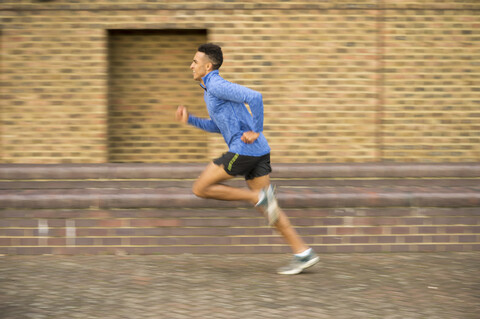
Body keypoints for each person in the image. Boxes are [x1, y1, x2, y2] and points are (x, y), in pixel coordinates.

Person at [175, 43, 319, 275]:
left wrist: (256, 129)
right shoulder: (210, 90)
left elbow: (255, 97)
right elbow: (217, 126)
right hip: (258, 152)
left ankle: (257, 196)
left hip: (245, 149)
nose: (191, 65)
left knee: (201, 188)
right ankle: (303, 253)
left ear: (207, 66)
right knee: (269, 209)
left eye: (194, 61)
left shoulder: (216, 84)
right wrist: (190, 119)